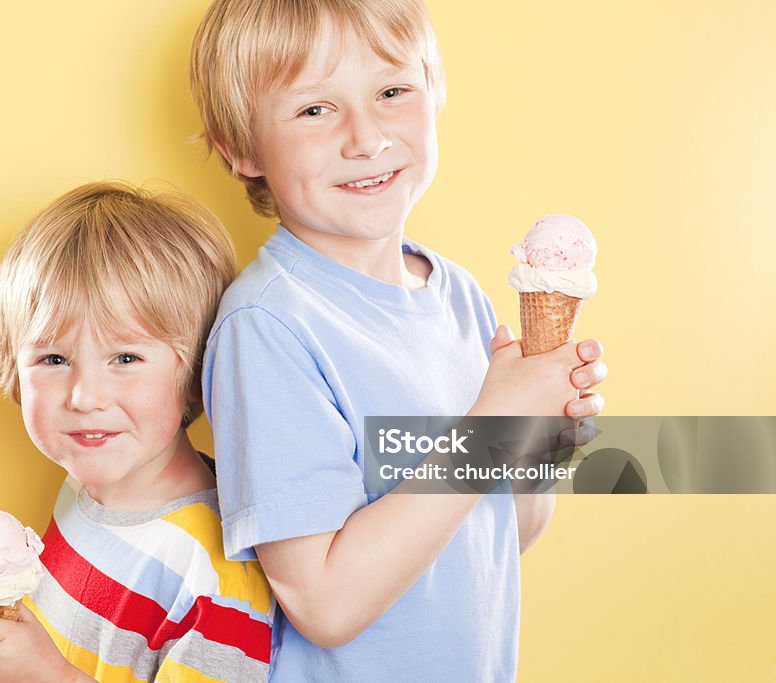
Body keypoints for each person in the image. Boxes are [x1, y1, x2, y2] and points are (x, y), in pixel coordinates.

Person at [189, 1, 608, 680]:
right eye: (313, 110)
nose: (366, 138)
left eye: (391, 92)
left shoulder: (461, 297)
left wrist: (536, 441)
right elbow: (322, 601)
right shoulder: (268, 327)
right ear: (240, 148)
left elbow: (503, 536)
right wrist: (492, 427)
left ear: (433, 92)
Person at [0, 182, 273, 683]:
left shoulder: (215, 576)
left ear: (195, 375)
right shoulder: (86, 486)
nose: (84, 397)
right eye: (53, 359)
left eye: (126, 358)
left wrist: (49, 677)